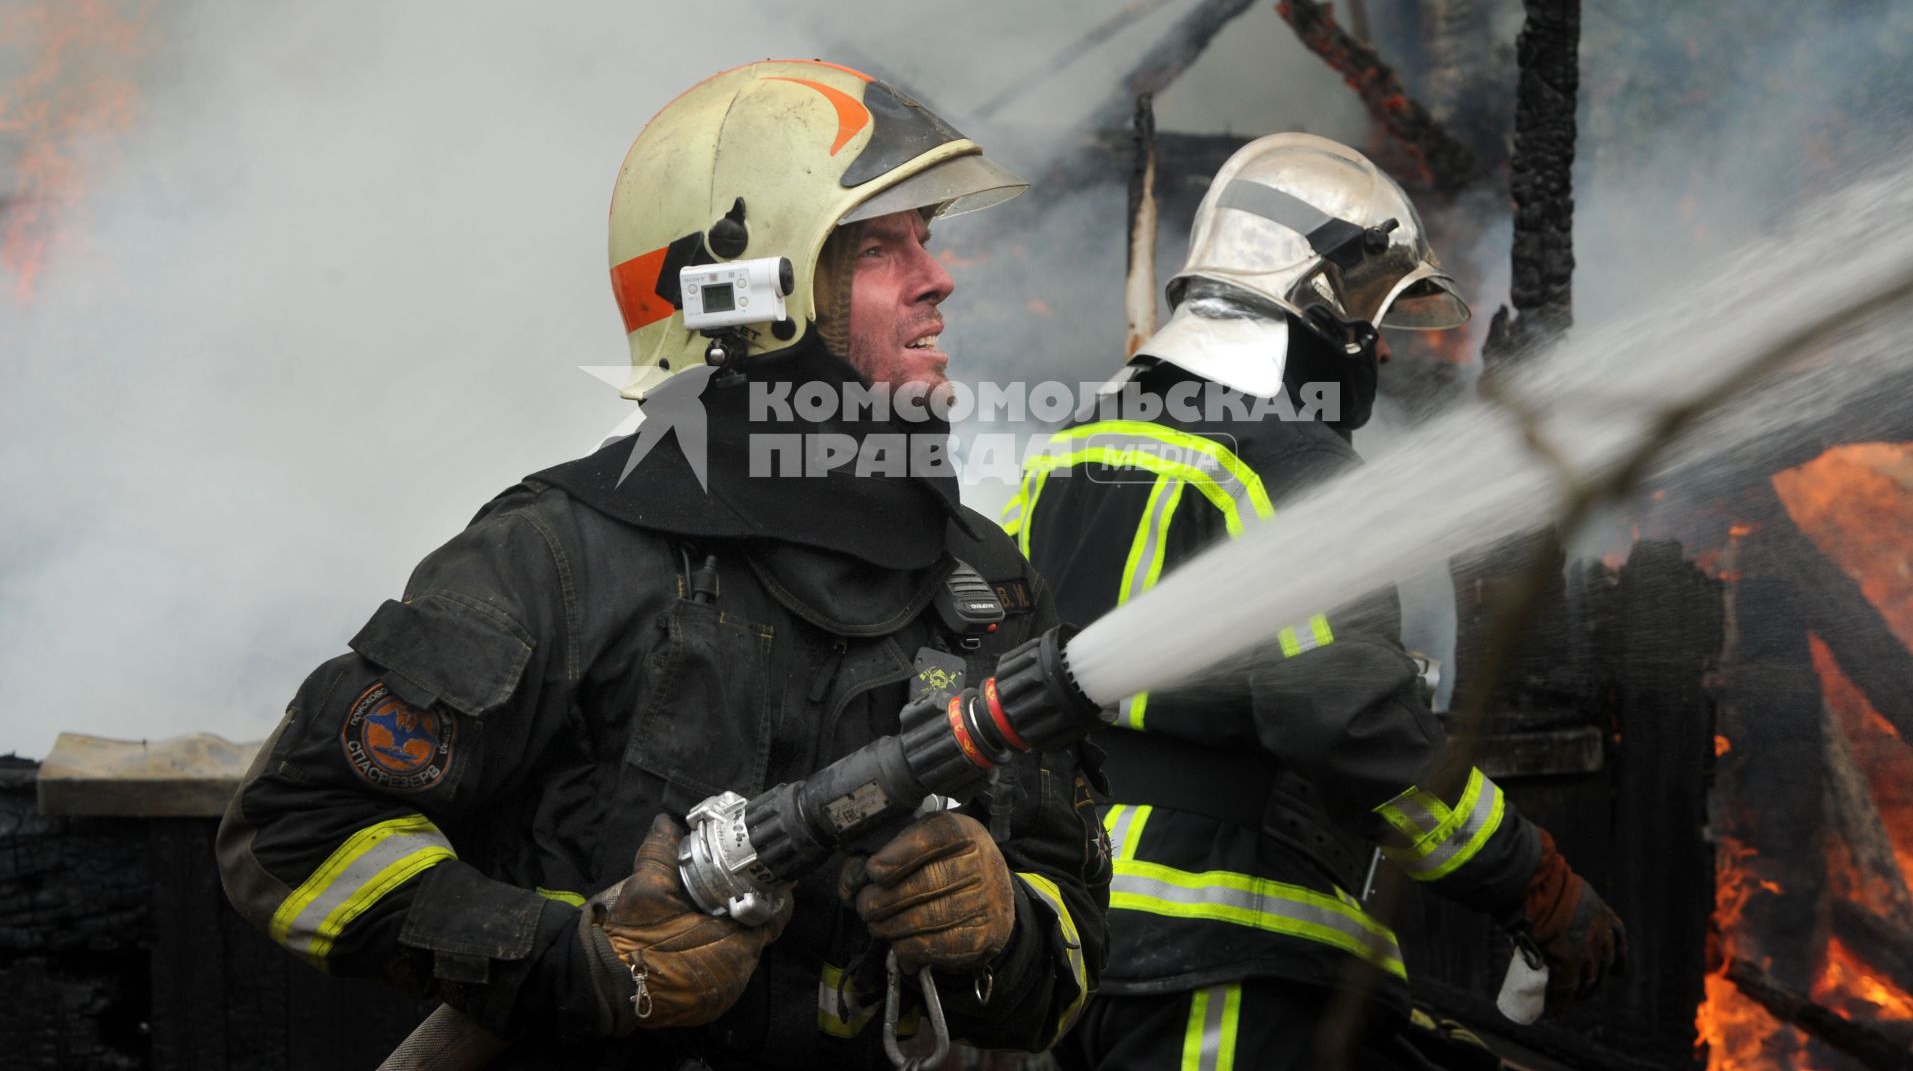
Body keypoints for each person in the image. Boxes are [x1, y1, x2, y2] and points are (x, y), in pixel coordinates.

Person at [216, 60, 1109, 1069]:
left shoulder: (980, 591)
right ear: (746, 298)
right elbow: (293, 831)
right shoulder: (559, 557)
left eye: (925, 238)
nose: (937, 276)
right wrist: (578, 961)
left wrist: (1002, 930)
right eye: (876, 246)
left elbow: (1068, 968)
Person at [1002, 134, 1625, 1070]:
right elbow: (1345, 721)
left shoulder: (1067, 444)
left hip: (1054, 939)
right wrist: (1526, 876)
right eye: (1368, 314)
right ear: (1313, 302)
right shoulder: (1290, 459)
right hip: (1227, 952)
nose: (1375, 346)